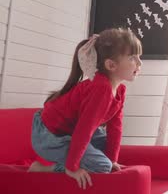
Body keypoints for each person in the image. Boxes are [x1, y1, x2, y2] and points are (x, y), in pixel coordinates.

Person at [27, 28, 143, 190]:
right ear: (111, 65)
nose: (139, 63)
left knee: (107, 152)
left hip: (70, 132)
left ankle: (81, 159)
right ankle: (43, 169)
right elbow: (84, 129)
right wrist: (72, 167)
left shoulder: (120, 90)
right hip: (49, 136)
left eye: (139, 57)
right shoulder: (100, 88)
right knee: (102, 166)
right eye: (132, 58)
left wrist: (112, 160)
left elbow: (115, 128)